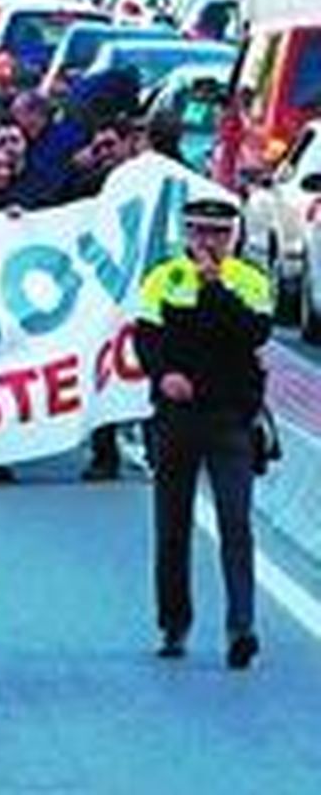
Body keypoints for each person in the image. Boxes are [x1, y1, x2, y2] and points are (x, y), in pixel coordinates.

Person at [137, 198, 271, 669]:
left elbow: (251, 333)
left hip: (229, 417)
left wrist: (214, 287)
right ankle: (174, 622)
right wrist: (162, 375)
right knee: (171, 526)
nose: (208, 243)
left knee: (236, 523)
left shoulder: (249, 281)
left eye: (217, 234)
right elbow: (146, 339)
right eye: (199, 233)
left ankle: (242, 627)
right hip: (177, 418)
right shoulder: (163, 278)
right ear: (186, 234)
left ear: (233, 236)